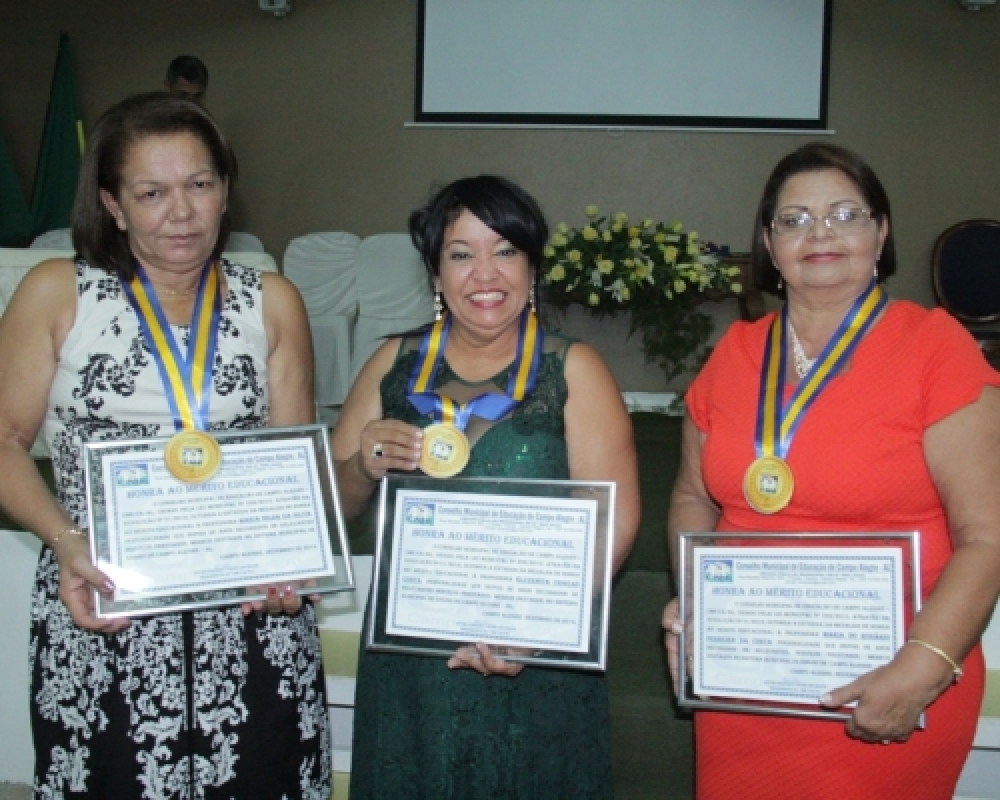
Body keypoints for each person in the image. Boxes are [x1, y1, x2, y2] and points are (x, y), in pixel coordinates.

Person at [0, 92, 329, 797]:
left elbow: (292, 460)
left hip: (247, 621)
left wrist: (289, 568)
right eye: (151, 192)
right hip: (101, 602)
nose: (180, 213)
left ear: (225, 191)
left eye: (199, 185)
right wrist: (66, 541)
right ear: (113, 204)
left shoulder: (271, 299)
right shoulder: (58, 291)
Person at [661, 142, 1000, 798]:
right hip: (749, 685)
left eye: (845, 214)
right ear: (768, 242)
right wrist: (702, 604)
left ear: (882, 231)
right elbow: (691, 498)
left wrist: (925, 665)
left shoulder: (935, 349)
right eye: (794, 219)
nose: (819, 232)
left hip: (887, 680)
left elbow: (988, 536)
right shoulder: (732, 354)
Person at [332, 175, 640, 798]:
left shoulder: (572, 366)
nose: (485, 273)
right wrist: (362, 465)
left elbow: (614, 515)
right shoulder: (393, 361)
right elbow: (333, 507)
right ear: (436, 273)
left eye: (505, 251)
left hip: (535, 656)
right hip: (412, 663)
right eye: (461, 253)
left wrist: (544, 628)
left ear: (532, 265)